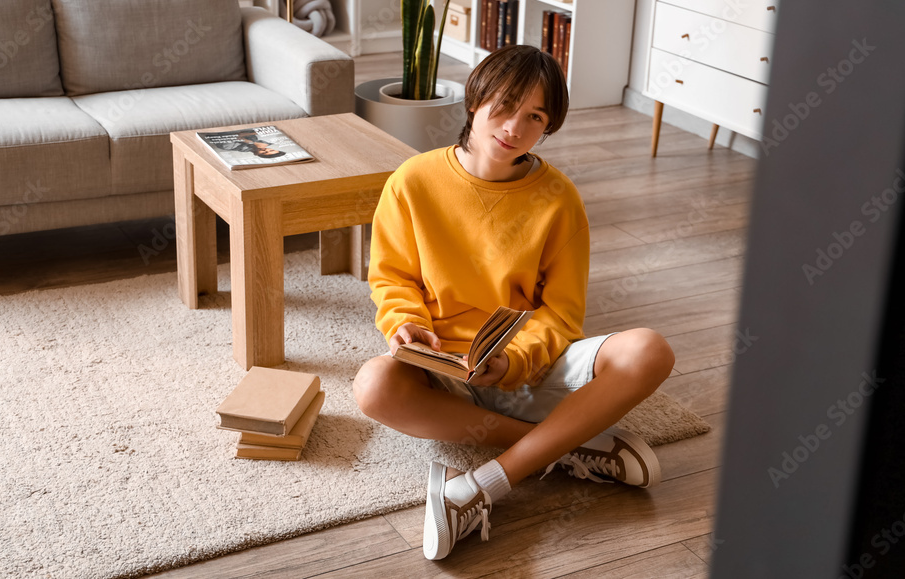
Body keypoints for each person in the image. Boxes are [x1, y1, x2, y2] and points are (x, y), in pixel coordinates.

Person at [352, 45, 676, 561]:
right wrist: (406, 325)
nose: (513, 128)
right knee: (372, 386)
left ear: (549, 126)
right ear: (475, 100)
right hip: (444, 372)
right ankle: (567, 443)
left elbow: (562, 313)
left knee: (650, 351)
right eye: (503, 106)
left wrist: (512, 360)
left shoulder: (559, 198)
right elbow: (392, 279)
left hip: (526, 366)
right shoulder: (412, 182)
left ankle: (481, 485)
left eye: (535, 117)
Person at [216, 132, 286, 158]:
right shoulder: (270, 139)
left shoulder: (232, 147)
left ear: (257, 154)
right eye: (271, 150)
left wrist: (251, 142)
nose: (266, 150)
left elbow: (223, 139)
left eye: (264, 152)